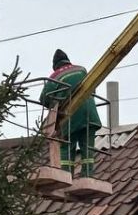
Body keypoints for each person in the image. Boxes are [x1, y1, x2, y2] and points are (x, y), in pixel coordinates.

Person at [40, 49, 101, 177]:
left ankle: (67, 175)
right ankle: (88, 174)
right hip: (90, 113)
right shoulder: (81, 70)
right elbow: (93, 88)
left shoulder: (54, 76)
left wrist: (54, 104)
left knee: (66, 147)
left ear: (55, 65)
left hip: (69, 116)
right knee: (88, 147)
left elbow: (43, 99)